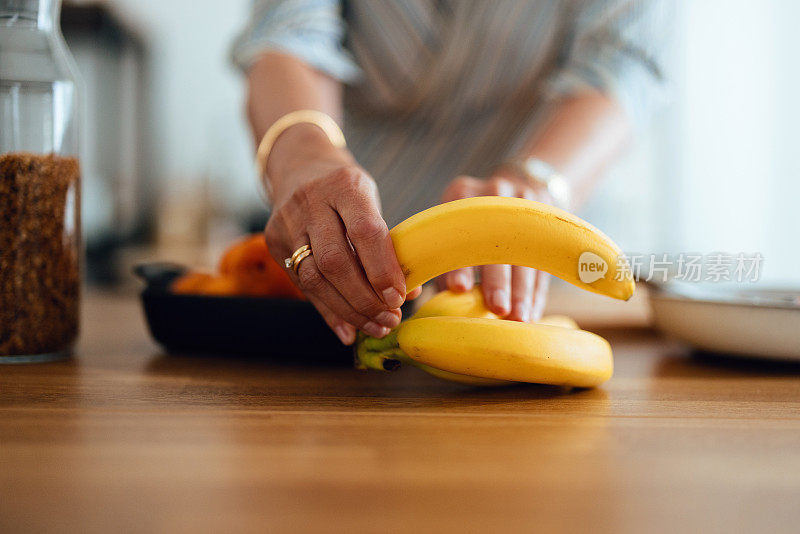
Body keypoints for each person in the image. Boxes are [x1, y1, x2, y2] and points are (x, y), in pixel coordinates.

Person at [231, 0, 667, 345]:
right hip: (349, 248)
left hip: (561, 260)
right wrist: (303, 156)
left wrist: (540, 183)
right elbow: (288, 32)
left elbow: (621, 63)